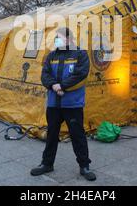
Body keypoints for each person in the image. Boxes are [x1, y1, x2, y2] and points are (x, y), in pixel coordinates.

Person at [30, 27, 96, 181]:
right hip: (54, 104)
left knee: (77, 135)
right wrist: (53, 85)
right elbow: (45, 74)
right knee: (51, 134)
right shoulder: (51, 55)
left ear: (69, 39)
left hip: (72, 104)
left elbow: (80, 74)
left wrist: (62, 86)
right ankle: (47, 164)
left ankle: (84, 166)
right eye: (55, 38)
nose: (56, 41)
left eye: (59, 38)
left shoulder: (80, 54)